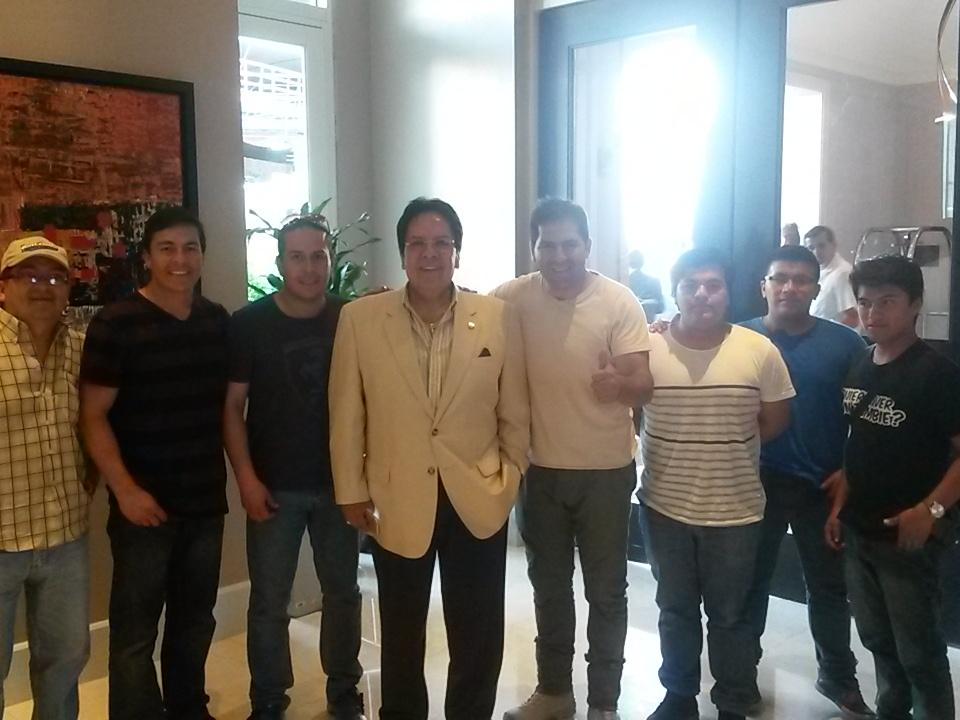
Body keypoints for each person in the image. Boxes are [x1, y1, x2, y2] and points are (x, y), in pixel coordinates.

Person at [329, 197, 529, 720]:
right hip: (395, 497)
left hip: (477, 495)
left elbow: (514, 411)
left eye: (442, 243)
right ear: (402, 253)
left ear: (457, 252)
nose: (430, 253)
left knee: (478, 634)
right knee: (400, 635)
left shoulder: (496, 317)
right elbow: (346, 413)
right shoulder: (360, 319)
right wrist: (350, 489)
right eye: (417, 243)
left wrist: (509, 477)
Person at [496, 198, 653, 720]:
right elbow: (460, 312)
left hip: (605, 472)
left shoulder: (618, 301)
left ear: (587, 245)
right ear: (534, 248)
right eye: (548, 245)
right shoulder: (512, 297)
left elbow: (643, 384)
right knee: (548, 588)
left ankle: (604, 702)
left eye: (569, 245)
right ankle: (554, 692)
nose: (559, 256)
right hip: (539, 470)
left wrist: (619, 386)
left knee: (606, 593)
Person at [80, 207, 229, 720]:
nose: (179, 259)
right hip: (142, 507)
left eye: (190, 248)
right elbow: (93, 416)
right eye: (167, 248)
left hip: (204, 503)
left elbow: (227, 409)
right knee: (134, 634)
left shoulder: (215, 321)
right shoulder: (116, 323)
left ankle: (189, 710)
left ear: (202, 255)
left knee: (195, 623)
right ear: (146, 257)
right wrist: (125, 491)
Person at [639, 247, 794, 720]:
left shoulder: (758, 350)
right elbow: (631, 413)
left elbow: (775, 421)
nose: (702, 294)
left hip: (736, 513)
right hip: (664, 509)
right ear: (675, 291)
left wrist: (722, 441)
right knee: (675, 610)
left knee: (730, 617)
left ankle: (732, 702)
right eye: (691, 285)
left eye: (713, 285)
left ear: (728, 292)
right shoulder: (648, 347)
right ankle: (678, 697)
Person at [224, 217, 363, 720]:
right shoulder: (249, 323)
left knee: (343, 594)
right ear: (281, 262)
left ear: (330, 259)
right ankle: (268, 701)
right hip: (273, 486)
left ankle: (344, 692)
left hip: (339, 486)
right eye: (297, 257)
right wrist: (246, 477)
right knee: (269, 602)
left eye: (318, 256)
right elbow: (232, 407)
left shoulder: (351, 318)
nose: (309, 268)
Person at [740, 245, 873, 718]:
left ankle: (837, 676)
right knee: (750, 583)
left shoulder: (845, 344)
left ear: (817, 289)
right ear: (764, 286)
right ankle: (740, 675)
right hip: (756, 481)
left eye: (801, 280)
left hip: (823, 485)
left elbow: (869, 416)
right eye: (780, 278)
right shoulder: (739, 339)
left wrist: (852, 470)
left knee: (829, 588)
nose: (790, 288)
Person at [826, 255, 960, 720]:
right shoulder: (860, 363)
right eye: (865, 302)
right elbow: (859, 442)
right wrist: (839, 506)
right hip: (860, 529)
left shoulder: (938, 374)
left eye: (887, 302)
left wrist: (931, 510)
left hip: (908, 537)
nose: (873, 313)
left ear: (915, 304)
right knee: (878, 640)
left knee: (919, 651)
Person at [0, 237, 91, 719]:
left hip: (64, 535)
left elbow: (97, 425)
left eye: (55, 277)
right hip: (1, 538)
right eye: (30, 276)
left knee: (65, 660)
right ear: (5, 286)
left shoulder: (79, 347)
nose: (44, 287)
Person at [804, 226, 858, 327]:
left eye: (821, 246)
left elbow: (853, 317)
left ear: (834, 245)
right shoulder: (818, 270)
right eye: (811, 248)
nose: (816, 252)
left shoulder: (842, 273)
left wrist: (828, 334)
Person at [626, 250, 664, 318]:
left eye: (635, 261)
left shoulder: (654, 282)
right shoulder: (623, 283)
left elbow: (661, 307)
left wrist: (645, 303)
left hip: (647, 321)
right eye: (633, 262)